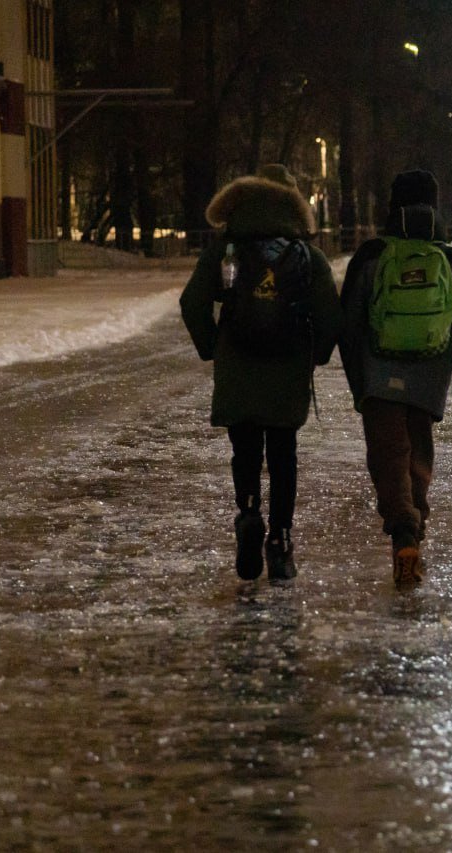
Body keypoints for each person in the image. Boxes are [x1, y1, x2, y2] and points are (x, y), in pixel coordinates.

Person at [339, 169, 452, 586]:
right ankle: (416, 526)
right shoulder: (449, 259)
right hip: (430, 373)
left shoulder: (372, 256)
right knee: (417, 451)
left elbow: (347, 323)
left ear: (393, 207)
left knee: (388, 452)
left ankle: (403, 531)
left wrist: (359, 382)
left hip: (379, 374)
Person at [180, 164, 341, 581]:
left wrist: (212, 347)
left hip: (239, 363)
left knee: (246, 448)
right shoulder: (307, 255)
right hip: (288, 366)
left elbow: (192, 302)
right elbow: (330, 313)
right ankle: (281, 537)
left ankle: (249, 513)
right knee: (283, 452)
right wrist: (317, 355)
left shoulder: (225, 250)